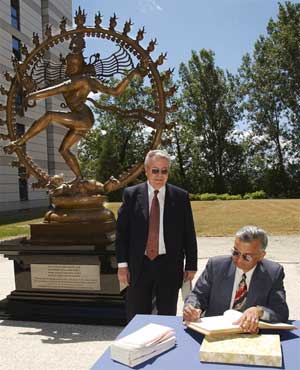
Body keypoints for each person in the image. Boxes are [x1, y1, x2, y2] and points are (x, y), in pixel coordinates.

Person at [4, 52, 145, 183]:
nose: (70, 67)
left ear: (81, 66)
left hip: (82, 118)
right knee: (63, 150)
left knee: (50, 115)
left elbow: (114, 91)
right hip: (81, 119)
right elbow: (47, 87)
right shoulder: (71, 80)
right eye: (69, 64)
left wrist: (131, 75)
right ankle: (79, 179)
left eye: (74, 64)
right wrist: (29, 86)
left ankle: (20, 141)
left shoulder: (82, 80)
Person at [116, 149, 198, 321]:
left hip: (169, 265)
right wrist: (122, 266)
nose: (159, 175)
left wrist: (191, 265)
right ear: (146, 171)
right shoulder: (131, 195)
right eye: (155, 170)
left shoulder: (180, 196)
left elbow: (188, 233)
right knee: (137, 316)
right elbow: (122, 233)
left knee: (167, 316)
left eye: (164, 170)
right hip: (139, 265)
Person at [183, 225, 289, 333]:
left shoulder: (273, 273)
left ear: (261, 255)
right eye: (235, 253)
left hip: (251, 336)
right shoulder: (216, 266)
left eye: (247, 257)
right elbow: (197, 295)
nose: (238, 260)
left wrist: (259, 311)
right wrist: (191, 308)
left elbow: (281, 311)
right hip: (214, 332)